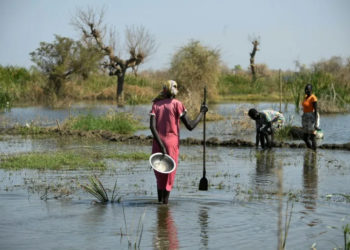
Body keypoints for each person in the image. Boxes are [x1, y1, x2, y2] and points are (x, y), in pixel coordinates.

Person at [149, 80, 208, 204]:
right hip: (171, 145)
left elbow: (152, 127)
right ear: (174, 90)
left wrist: (160, 145)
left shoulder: (156, 105)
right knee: (168, 177)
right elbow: (190, 126)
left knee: (160, 176)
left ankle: (160, 205)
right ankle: (164, 206)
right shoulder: (177, 104)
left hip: (157, 144)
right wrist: (202, 113)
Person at [301, 83, 319, 150]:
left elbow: (316, 110)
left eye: (308, 89)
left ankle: (314, 152)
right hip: (305, 117)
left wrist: (316, 123)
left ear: (311, 90)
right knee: (305, 137)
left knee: (312, 136)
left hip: (312, 117)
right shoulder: (305, 97)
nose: (306, 91)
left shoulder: (313, 98)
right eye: (305, 89)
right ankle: (311, 150)